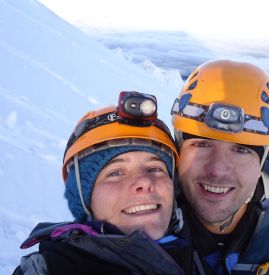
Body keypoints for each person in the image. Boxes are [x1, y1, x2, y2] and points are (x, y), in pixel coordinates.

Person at [171, 59, 269, 274]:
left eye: (241, 150)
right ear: (179, 149)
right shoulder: (140, 219)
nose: (217, 170)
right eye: (202, 144)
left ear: (262, 161)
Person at [13, 91, 190, 275]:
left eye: (155, 169)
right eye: (115, 173)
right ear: (84, 199)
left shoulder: (201, 250)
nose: (145, 182)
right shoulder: (57, 267)